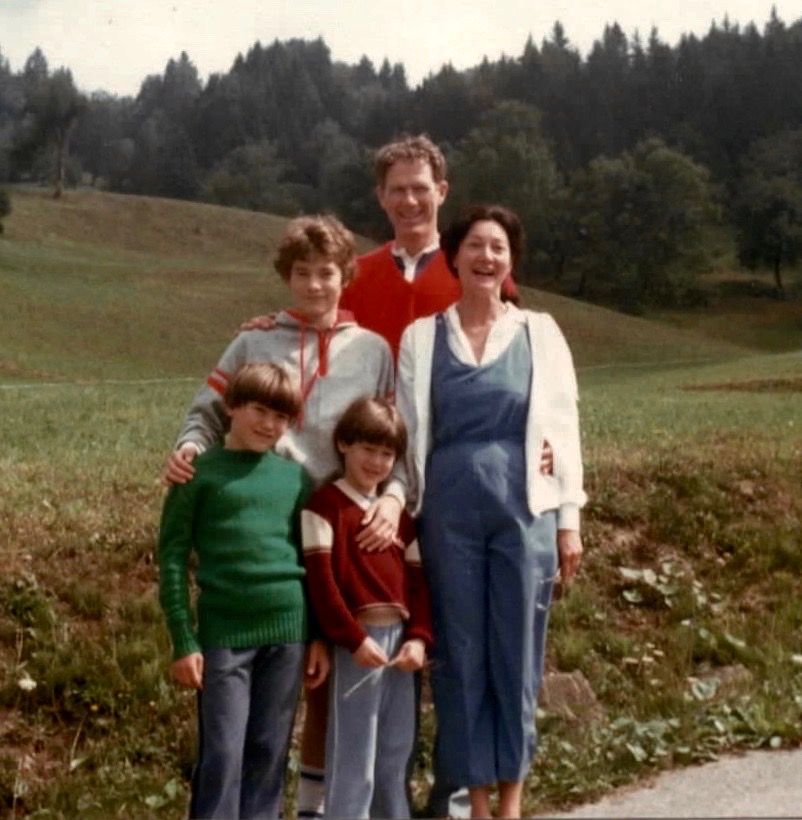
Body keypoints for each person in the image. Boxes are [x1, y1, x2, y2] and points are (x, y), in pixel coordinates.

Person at [161, 214, 400, 820]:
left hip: (342, 521)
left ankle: (325, 805)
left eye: (327, 274)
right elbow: (207, 412)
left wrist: (393, 496)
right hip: (266, 517)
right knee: (257, 710)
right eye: (302, 274)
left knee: (328, 675)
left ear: (346, 276)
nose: (315, 286)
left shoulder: (372, 350)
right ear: (285, 276)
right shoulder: (254, 340)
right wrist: (190, 447)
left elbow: (391, 436)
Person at [396, 204, 586, 819]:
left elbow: (565, 429)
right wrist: (403, 512)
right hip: (446, 514)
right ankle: (474, 801)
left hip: (522, 510)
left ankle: (511, 801)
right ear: (453, 256)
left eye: (498, 248)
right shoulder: (423, 338)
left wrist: (568, 521)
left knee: (517, 651)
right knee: (459, 653)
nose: (486, 258)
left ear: (511, 261)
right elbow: (407, 433)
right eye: (475, 246)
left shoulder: (540, 332)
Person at [157, 362, 329, 819]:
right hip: (223, 637)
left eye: (280, 417)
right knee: (223, 755)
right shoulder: (197, 474)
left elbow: (311, 563)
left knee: (269, 753)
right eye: (258, 410)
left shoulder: (295, 480)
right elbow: (172, 559)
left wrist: (316, 638)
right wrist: (183, 638)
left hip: (288, 636)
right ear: (230, 407)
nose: (269, 425)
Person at [301, 397, 432, 819]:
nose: (376, 462)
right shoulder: (324, 507)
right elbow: (322, 586)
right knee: (354, 751)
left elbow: (419, 588)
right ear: (343, 444)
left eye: (386, 454)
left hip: (400, 646)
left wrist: (419, 639)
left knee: (395, 750)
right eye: (367, 450)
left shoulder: (401, 520)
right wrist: (351, 639)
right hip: (357, 642)